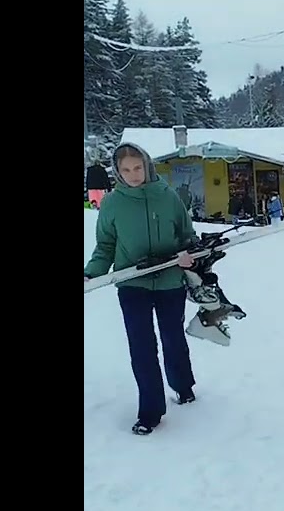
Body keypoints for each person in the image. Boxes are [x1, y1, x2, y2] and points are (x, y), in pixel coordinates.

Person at [84, 143, 200, 436]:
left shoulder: (168, 197)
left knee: (173, 338)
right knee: (142, 347)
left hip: (170, 281)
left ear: (147, 166)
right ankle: (150, 410)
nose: (133, 175)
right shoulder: (112, 204)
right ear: (118, 172)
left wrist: (189, 257)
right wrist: (90, 274)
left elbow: (188, 236)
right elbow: (106, 246)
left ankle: (183, 386)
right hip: (132, 284)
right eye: (126, 170)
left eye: (137, 168)